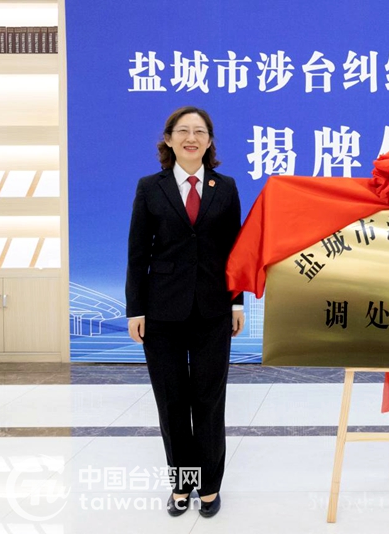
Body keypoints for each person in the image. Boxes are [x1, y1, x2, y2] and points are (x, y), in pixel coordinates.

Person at [125, 106, 244, 518]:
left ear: (209, 142)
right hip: (161, 312)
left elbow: (235, 249)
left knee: (209, 401)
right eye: (183, 131)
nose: (191, 138)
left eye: (200, 131)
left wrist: (237, 301)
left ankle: (209, 487)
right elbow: (137, 253)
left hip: (213, 309)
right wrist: (136, 309)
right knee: (172, 402)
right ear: (169, 139)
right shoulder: (150, 187)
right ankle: (182, 483)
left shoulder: (225, 187)